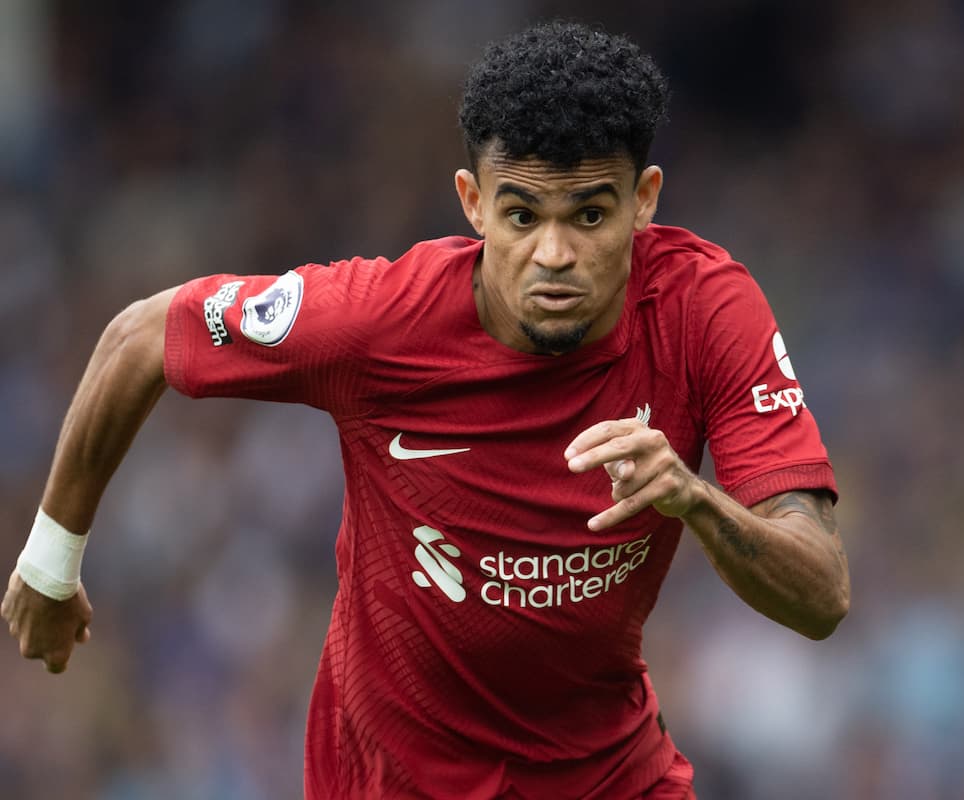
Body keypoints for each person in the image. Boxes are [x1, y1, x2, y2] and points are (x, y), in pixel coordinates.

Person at [2, 20, 850, 800]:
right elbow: (140, 338)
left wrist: (697, 502)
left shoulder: (705, 311)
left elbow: (821, 595)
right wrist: (50, 562)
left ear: (645, 199)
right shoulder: (378, 322)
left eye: (590, 214)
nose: (554, 254)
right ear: (473, 202)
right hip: (391, 782)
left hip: (607, 776)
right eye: (522, 213)